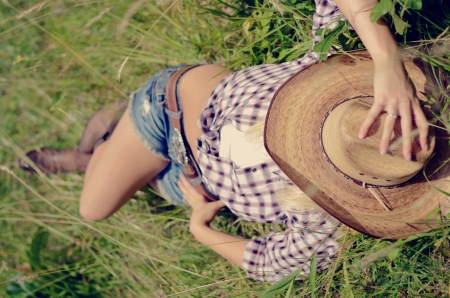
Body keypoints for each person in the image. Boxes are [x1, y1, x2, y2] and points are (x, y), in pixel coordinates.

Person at [19, 0, 434, 283]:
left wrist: (202, 229)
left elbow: (270, 264)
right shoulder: (339, 65)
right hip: (170, 111)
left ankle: (108, 148)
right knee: (93, 208)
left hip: (197, 185)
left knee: (137, 181)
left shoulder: (334, 220)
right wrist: (385, 59)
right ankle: (107, 139)